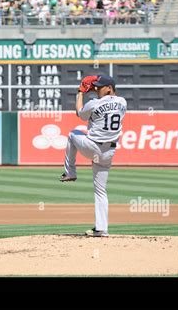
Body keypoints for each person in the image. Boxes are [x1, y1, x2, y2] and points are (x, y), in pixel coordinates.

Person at [60, 75, 127, 237]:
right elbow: (110, 104)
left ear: (109, 88)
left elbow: (80, 113)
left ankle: (70, 172)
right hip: (109, 152)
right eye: (95, 86)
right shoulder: (123, 102)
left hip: (93, 146)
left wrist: (80, 93)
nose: (96, 88)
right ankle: (102, 229)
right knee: (101, 191)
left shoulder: (93, 103)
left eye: (100, 86)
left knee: (72, 134)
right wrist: (97, 88)